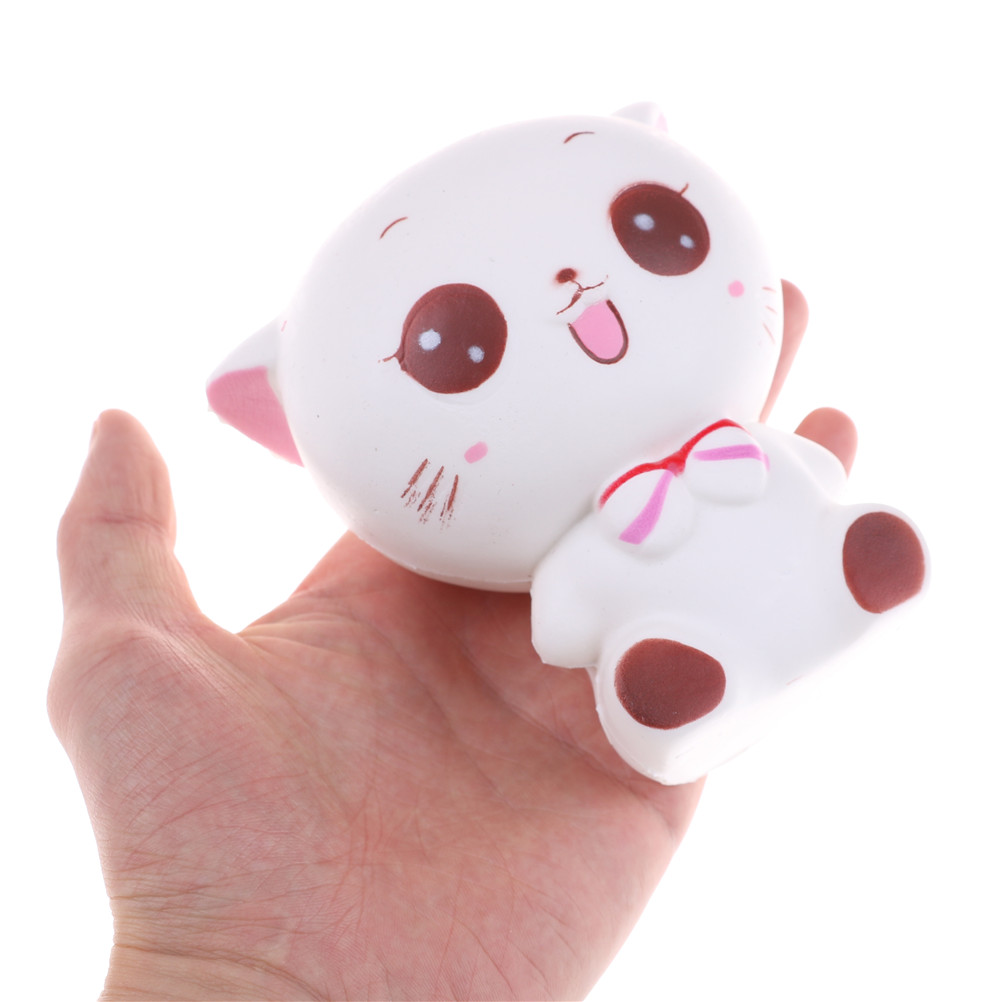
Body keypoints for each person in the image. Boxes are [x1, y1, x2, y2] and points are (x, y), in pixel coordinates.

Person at [50, 286, 854, 1000]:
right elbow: (560, 625)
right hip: (639, 609)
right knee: (656, 638)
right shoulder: (570, 551)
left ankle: (848, 565)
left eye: (653, 227)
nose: (573, 288)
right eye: (454, 345)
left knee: (797, 514)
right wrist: (240, 969)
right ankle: (689, 674)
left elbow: (808, 466)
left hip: (752, 517)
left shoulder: (723, 441)